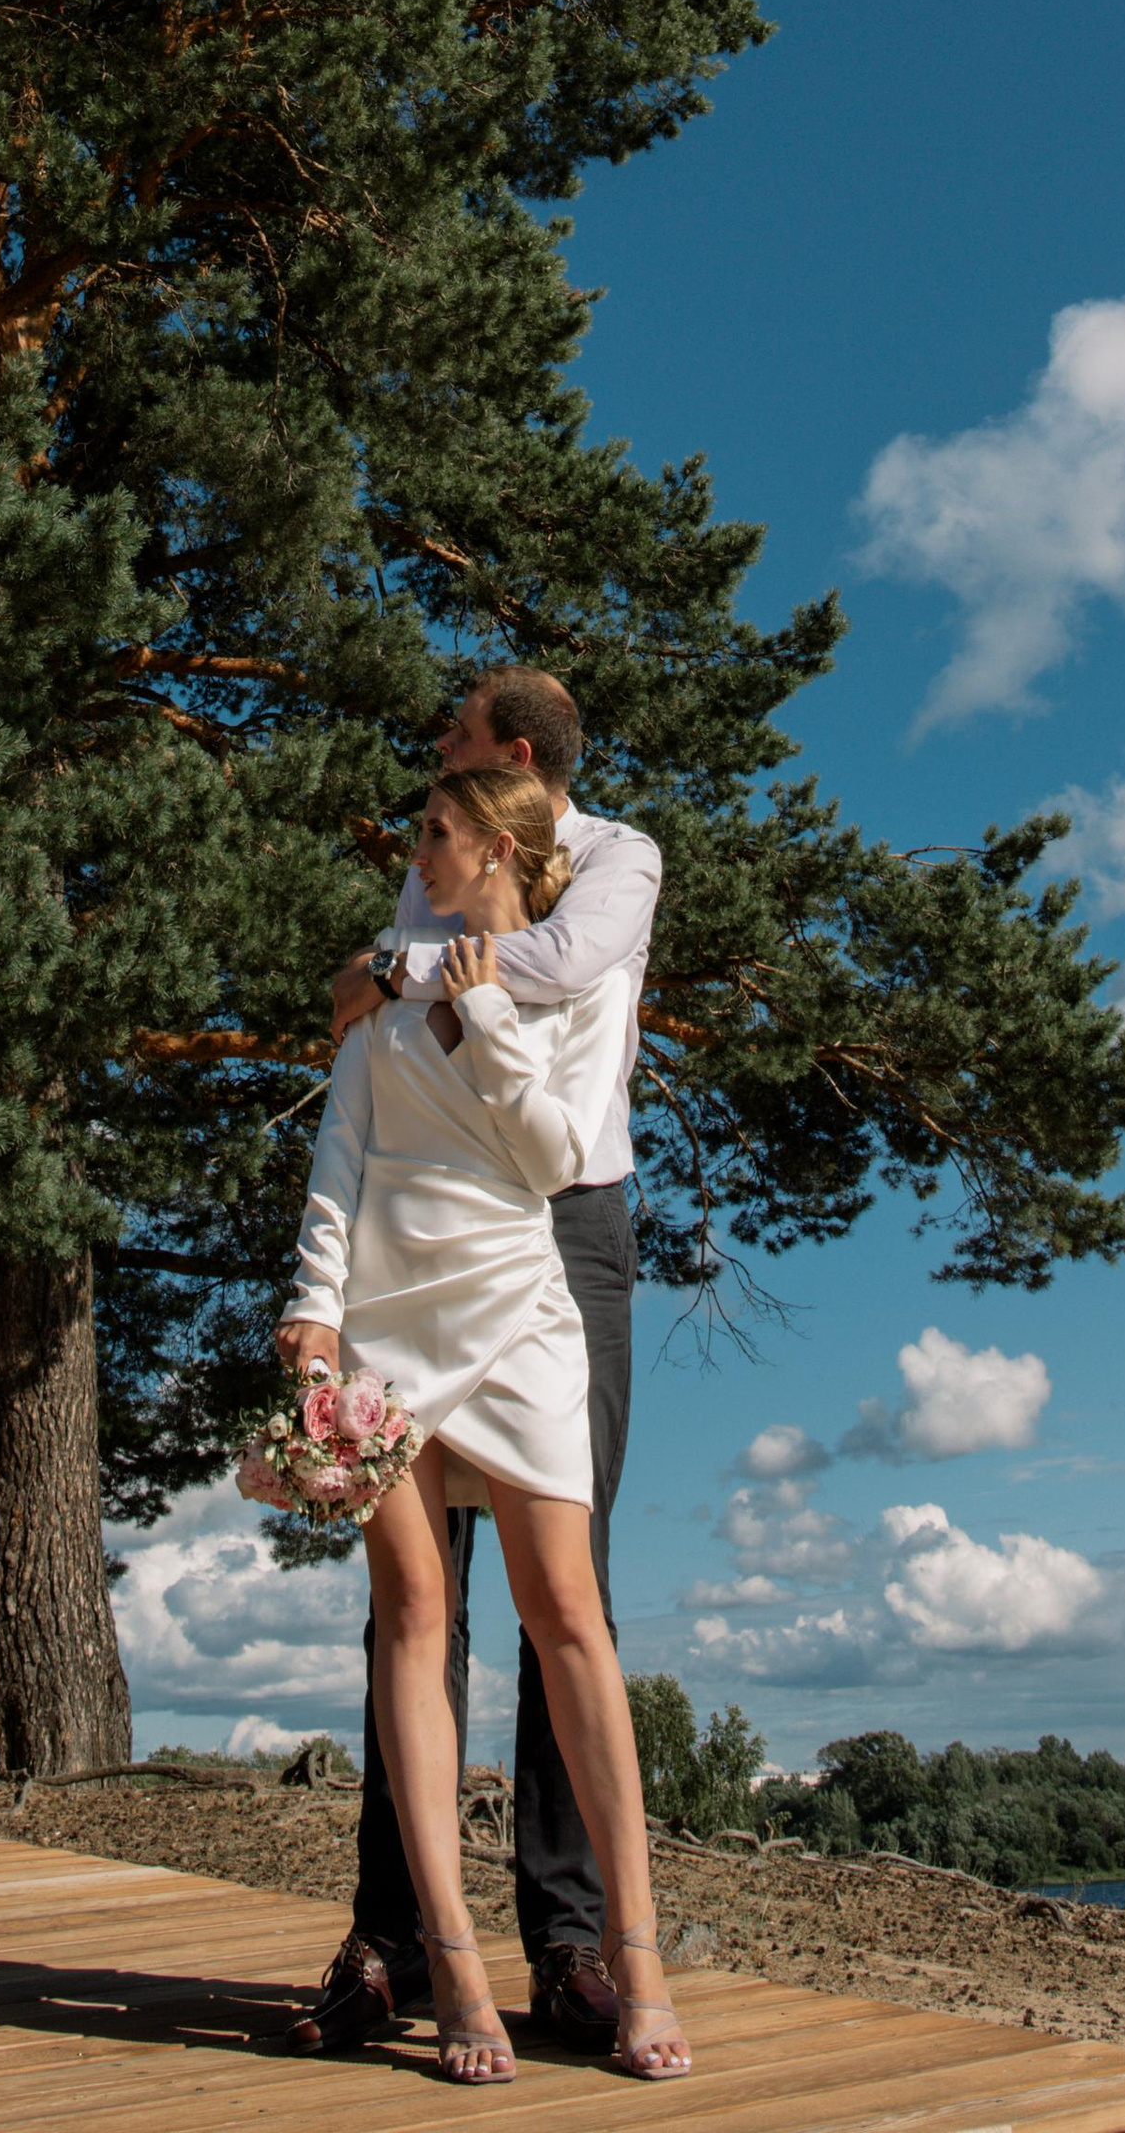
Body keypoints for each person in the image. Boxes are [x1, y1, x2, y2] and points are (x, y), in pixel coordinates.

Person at [276, 755, 689, 2084]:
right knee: (412, 1615)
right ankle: (446, 1962)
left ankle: (633, 1956)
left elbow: (560, 1155)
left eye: (439, 833)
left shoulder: (559, 989)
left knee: (567, 1614)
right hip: (388, 1328)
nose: (419, 849)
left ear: (498, 854)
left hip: (519, 1313)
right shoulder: (389, 982)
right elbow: (340, 1153)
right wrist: (314, 1313)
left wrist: (491, 1012)